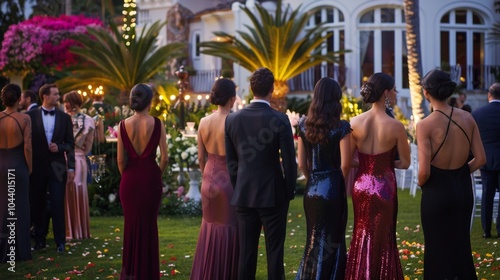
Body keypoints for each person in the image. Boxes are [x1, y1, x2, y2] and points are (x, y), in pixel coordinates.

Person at [224, 67, 297, 280]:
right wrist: (289, 190)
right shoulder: (280, 119)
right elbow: (290, 164)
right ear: (272, 90)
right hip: (274, 194)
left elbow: (232, 163)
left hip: (245, 195)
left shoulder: (232, 119)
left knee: (246, 255)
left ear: (250, 89)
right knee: (275, 253)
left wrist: (239, 188)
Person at [417, 69, 485, 279]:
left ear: (426, 92)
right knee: (460, 246)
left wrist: (424, 182)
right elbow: (481, 159)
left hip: (437, 192)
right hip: (462, 190)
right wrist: (461, 173)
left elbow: (424, 171)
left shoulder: (424, 125)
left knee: (437, 250)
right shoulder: (467, 117)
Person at [345, 72, 410, 279]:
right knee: (383, 238)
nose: (396, 92)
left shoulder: (353, 122)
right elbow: (406, 163)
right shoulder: (396, 126)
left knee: (361, 234)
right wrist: (384, 163)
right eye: (394, 89)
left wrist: (368, 163)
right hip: (384, 187)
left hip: (361, 186)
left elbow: (349, 160)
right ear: (386, 93)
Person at [295, 78, 351, 280]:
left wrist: (313, 179)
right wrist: (339, 183)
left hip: (313, 187)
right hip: (334, 186)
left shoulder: (304, 125)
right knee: (333, 239)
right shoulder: (341, 127)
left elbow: (302, 163)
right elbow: (345, 164)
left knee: (313, 239)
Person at [117, 83, 168, 280]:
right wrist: (157, 175)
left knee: (130, 227)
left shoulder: (123, 125)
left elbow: (120, 160)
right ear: (150, 101)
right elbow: (164, 158)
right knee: (148, 226)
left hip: (129, 180)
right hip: (150, 179)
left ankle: (130, 274)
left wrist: (128, 177)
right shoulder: (157, 123)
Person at [190, 78, 238, 280]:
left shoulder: (203, 122)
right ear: (232, 99)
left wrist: (206, 175)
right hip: (229, 181)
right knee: (229, 228)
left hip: (209, 178)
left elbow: (201, 157)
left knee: (209, 226)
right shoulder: (235, 120)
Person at [27, 83, 75, 253]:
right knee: (37, 203)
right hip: (37, 167)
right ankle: (39, 240)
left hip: (58, 167)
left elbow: (70, 145)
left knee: (57, 203)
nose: (58, 96)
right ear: (45, 96)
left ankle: (60, 242)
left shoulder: (64, 118)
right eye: (55, 94)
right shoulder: (30, 116)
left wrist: (70, 168)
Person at [0, 84, 32, 262]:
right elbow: (28, 147)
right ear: (19, 98)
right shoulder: (25, 119)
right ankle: (19, 252)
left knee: (3, 207)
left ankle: (3, 251)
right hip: (18, 166)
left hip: (1, 166)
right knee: (19, 207)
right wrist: (30, 167)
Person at [62, 91, 95, 240]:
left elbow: (85, 144)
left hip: (78, 159)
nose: (66, 104)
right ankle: (67, 231)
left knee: (77, 189)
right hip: (61, 159)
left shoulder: (87, 120)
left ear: (75, 102)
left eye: (68, 101)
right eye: (64, 101)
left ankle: (78, 232)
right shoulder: (62, 118)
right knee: (64, 193)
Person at [472, 83, 500, 239]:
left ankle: (486, 231)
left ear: (489, 95)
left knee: (487, 196)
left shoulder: (478, 114)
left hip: (486, 160)